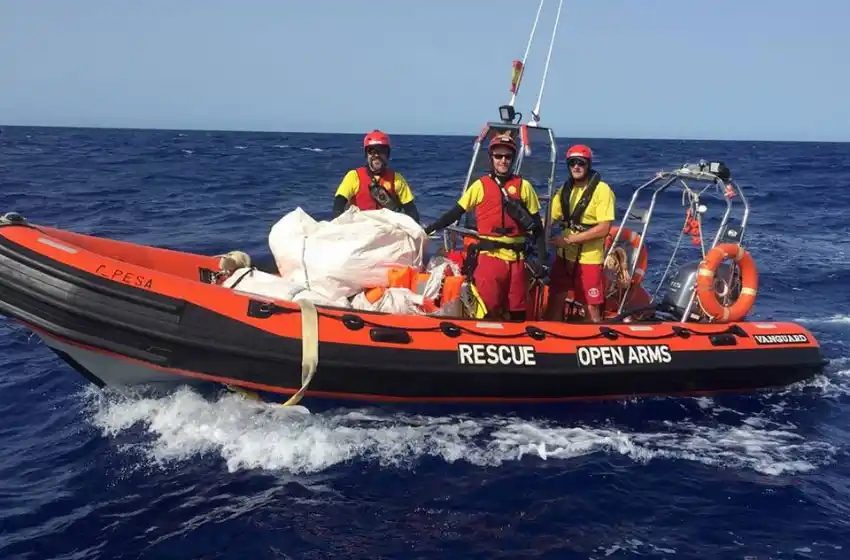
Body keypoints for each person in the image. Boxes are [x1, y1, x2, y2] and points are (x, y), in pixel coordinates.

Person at [424, 133, 545, 320]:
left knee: (518, 312)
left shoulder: (525, 187)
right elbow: (455, 213)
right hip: (490, 258)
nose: (503, 160)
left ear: (513, 159)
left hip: (518, 260)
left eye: (508, 156)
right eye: (499, 156)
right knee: (487, 311)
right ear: (491, 158)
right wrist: (430, 228)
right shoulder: (479, 186)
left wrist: (541, 261)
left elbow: (537, 227)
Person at [544, 144, 615, 323]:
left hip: (589, 258)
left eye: (581, 163)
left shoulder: (602, 190)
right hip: (564, 256)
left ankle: (593, 344)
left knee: (590, 306)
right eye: (572, 163)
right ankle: (553, 341)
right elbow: (548, 218)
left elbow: (604, 228)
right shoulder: (565, 191)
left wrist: (569, 240)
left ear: (588, 165)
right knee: (555, 299)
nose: (576, 167)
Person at [332, 129, 420, 222]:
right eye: (372, 150)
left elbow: (411, 211)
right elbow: (338, 206)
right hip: (360, 228)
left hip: (389, 230)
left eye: (382, 151)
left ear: (387, 154)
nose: (377, 155)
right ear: (366, 154)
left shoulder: (397, 179)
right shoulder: (353, 176)